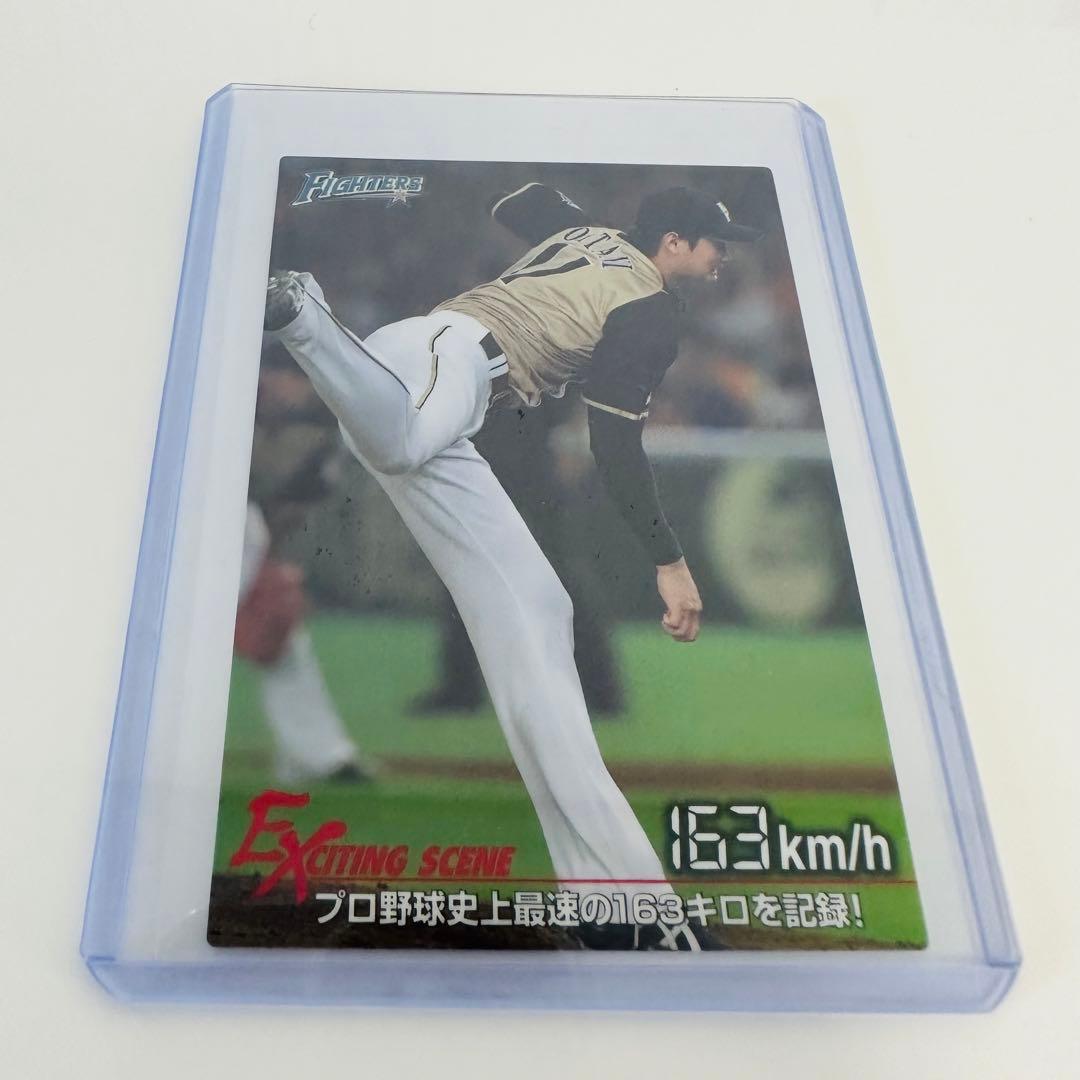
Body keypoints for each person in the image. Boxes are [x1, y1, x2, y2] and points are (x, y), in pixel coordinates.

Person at [263, 184, 760, 949]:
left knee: (537, 609)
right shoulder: (652, 308)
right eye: (714, 241)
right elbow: (615, 447)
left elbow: (515, 200)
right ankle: (305, 317)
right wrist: (668, 559)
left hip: (438, 394)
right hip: (439, 364)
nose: (724, 256)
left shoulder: (587, 233)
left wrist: (578, 222)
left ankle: (604, 905)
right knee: (399, 441)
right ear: (671, 242)